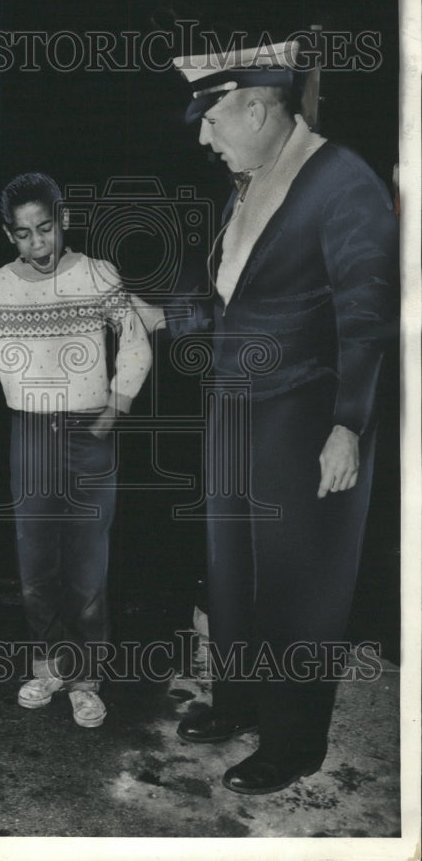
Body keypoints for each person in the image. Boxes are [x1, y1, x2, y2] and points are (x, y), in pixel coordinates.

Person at [134, 39, 398, 793]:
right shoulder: (253, 176)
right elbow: (230, 296)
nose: (202, 137)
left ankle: (293, 742)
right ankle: (240, 701)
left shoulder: (342, 183)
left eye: (211, 118)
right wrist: (156, 314)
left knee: (298, 584)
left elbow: (367, 314)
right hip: (235, 407)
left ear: (257, 105)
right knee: (233, 572)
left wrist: (347, 423)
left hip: (305, 414)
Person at [0, 172, 152, 727]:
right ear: (7, 234)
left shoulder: (96, 275)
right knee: (36, 561)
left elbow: (134, 338)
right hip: (31, 436)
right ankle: (47, 665)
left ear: (63, 220)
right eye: (23, 234)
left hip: (90, 432)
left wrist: (118, 402)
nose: (37, 243)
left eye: (46, 228)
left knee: (88, 563)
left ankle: (88, 678)